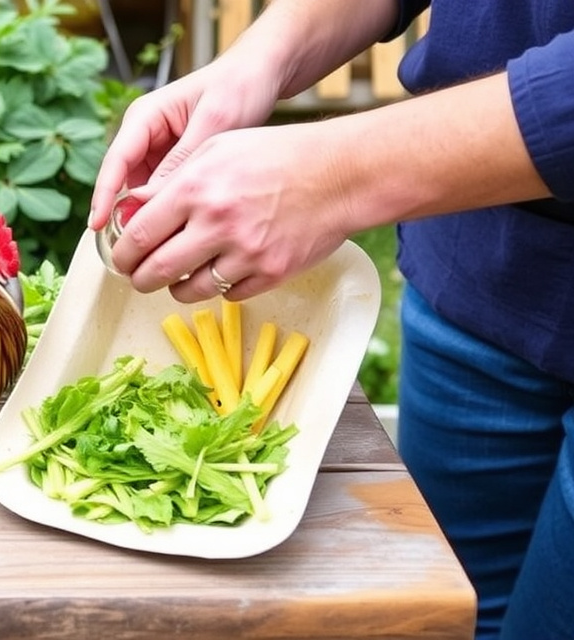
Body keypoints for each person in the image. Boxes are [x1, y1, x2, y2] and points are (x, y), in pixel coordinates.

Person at [88, 1, 574, 638]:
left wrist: (335, 176)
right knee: (436, 621)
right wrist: (260, 59)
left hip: (461, 216)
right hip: (474, 273)